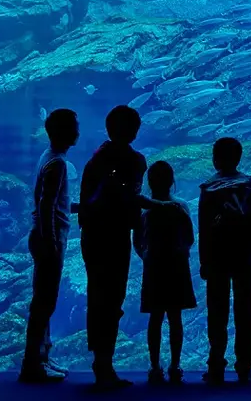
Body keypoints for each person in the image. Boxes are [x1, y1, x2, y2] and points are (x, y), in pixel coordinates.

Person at [77, 105, 148, 389]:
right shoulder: (134, 160)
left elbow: (87, 200)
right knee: (112, 297)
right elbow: (131, 198)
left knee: (98, 296)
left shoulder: (95, 159)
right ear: (132, 130)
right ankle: (104, 364)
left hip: (93, 236)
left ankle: (101, 360)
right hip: (114, 237)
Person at [198, 137, 251, 385]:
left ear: (215, 159)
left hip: (217, 256)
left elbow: (204, 230)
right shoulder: (249, 184)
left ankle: (216, 364)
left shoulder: (208, 188)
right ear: (239, 158)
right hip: (245, 255)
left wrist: (204, 260)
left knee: (217, 311)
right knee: (245, 311)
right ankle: (244, 366)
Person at [19, 108, 79, 383]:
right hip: (48, 239)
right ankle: (32, 363)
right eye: (75, 126)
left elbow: (55, 201)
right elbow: (45, 206)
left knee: (44, 301)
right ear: (64, 131)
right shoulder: (57, 163)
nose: (78, 131)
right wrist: (52, 242)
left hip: (44, 236)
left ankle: (42, 356)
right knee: (44, 302)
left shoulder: (51, 157)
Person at [134, 160, 197, 385]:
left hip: (154, 268)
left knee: (155, 318)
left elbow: (137, 241)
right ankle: (175, 365)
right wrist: (181, 251)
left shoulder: (145, 211)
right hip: (177, 267)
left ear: (149, 183)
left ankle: (154, 366)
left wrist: (147, 256)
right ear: (173, 181)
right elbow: (190, 237)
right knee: (175, 318)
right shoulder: (180, 206)